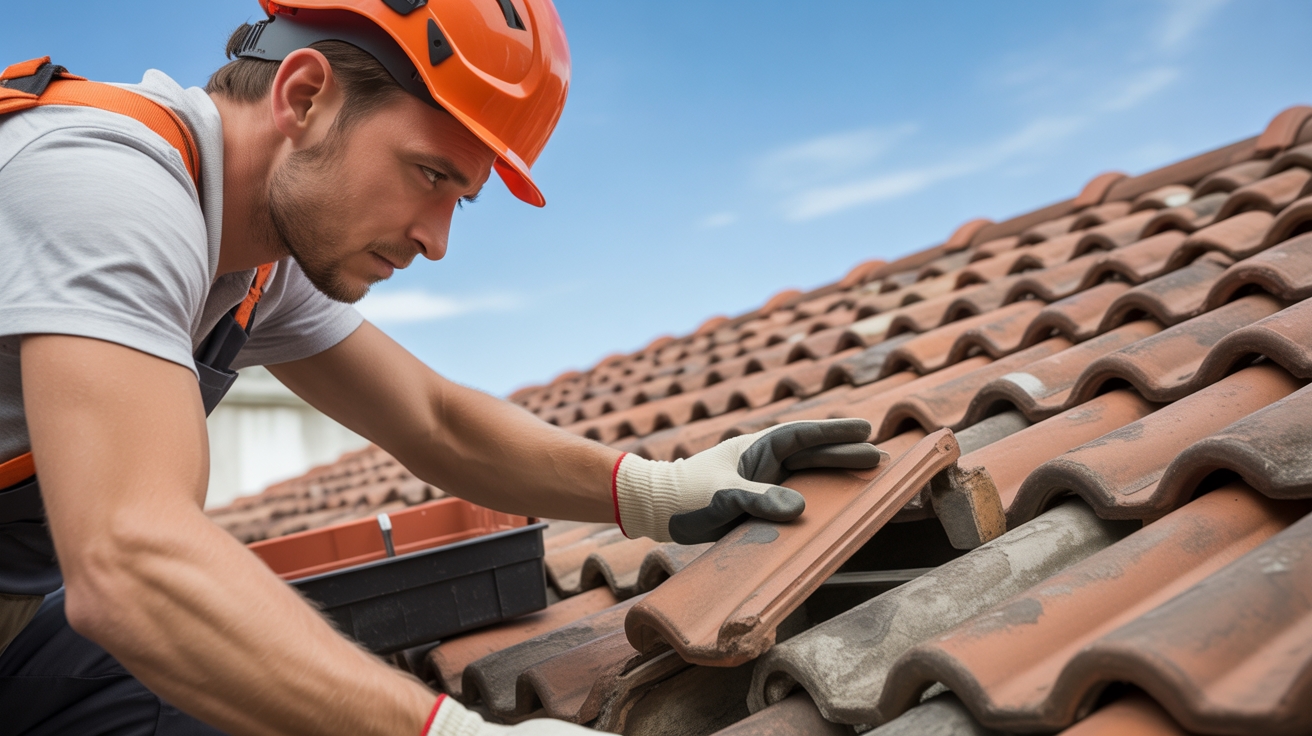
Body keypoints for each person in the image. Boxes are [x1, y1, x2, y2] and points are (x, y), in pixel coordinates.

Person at [0, 1, 881, 733]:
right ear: (304, 96)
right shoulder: (106, 188)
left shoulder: (250, 256)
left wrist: (657, 491)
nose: (436, 240)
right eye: (429, 175)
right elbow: (130, 561)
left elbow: (433, 419)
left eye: (460, 199)